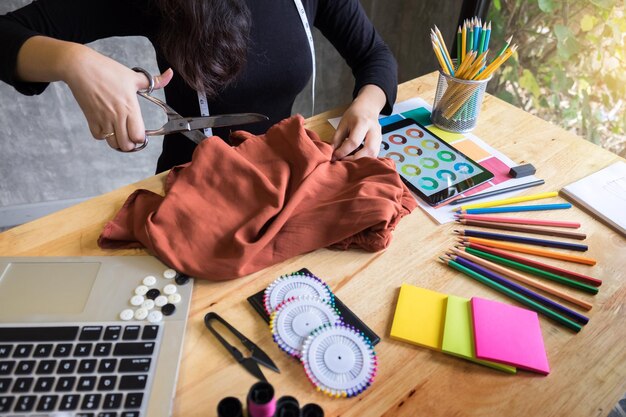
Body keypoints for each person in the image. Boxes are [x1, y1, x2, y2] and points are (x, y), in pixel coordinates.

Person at [0, 0, 397, 173]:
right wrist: (75, 62)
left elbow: (374, 55)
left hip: (285, 175)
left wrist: (367, 104)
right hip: (194, 187)